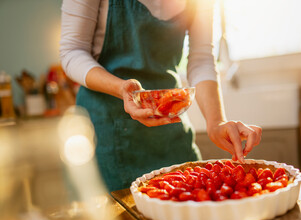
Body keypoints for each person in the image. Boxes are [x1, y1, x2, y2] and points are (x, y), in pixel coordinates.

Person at [60, 0, 262, 192]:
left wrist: (216, 122)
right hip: (107, 132)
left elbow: (201, 58)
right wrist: (121, 88)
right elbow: (72, 52)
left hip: (171, 132)